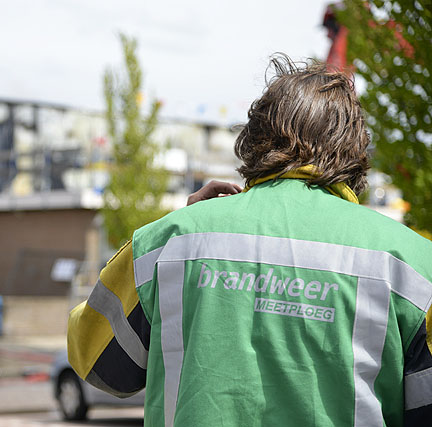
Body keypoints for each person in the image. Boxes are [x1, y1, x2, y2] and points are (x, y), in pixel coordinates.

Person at [67, 55, 432, 426]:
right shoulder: (415, 264)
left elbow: (95, 360)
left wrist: (183, 223)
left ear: (255, 139)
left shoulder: (169, 243)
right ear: (354, 153)